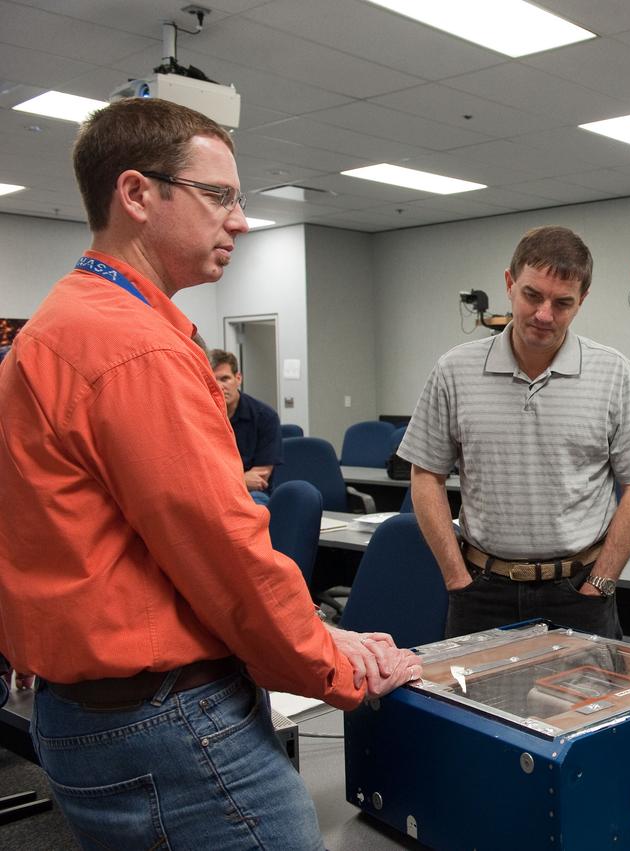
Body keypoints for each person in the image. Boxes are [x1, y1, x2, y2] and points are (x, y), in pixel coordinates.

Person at [0, 97, 422, 849]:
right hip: (166, 721)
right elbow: (224, 550)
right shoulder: (137, 346)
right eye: (219, 195)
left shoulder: (55, 327)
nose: (240, 219)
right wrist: (334, 662)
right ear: (136, 194)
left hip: (82, 711)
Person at [399, 225, 630, 639]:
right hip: (481, 591)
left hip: (580, 592)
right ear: (509, 283)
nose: (544, 314)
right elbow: (425, 474)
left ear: (582, 301)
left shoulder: (614, 373)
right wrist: (454, 576)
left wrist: (602, 582)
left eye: (562, 303)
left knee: (587, 705)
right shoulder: (454, 370)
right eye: (532, 295)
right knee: (475, 706)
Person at [210, 348, 282, 503]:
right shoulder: (199, 416)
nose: (220, 386)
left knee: (256, 502)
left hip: (252, 494)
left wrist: (219, 482)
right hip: (213, 493)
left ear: (238, 378)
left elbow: (259, 478)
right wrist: (242, 479)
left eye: (225, 379)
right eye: (213, 380)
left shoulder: (265, 416)